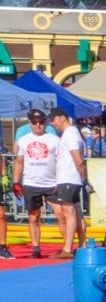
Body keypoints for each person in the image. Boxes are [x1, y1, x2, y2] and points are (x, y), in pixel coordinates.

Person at [9, 109, 58, 258]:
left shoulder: (54, 139)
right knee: (33, 216)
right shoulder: (24, 140)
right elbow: (19, 161)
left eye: (41, 122)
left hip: (52, 182)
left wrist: (61, 180)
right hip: (31, 182)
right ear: (30, 122)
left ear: (45, 122)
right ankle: (36, 248)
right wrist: (16, 182)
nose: (38, 125)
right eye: (35, 122)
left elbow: (62, 161)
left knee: (62, 214)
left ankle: (67, 248)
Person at [47, 108, 86, 258]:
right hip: (68, 177)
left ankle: (68, 248)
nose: (52, 123)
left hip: (69, 177)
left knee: (68, 213)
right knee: (75, 212)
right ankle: (80, 245)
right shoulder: (70, 133)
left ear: (62, 118)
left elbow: (77, 158)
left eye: (54, 119)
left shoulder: (70, 133)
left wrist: (82, 176)